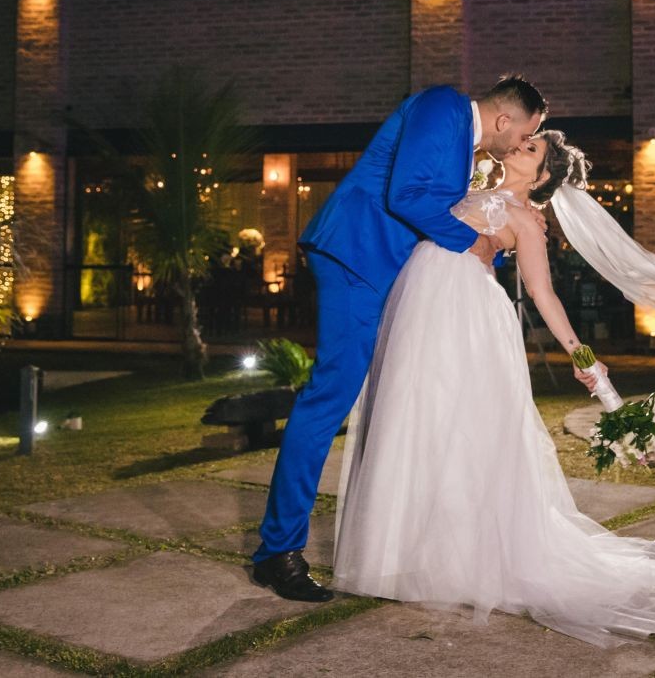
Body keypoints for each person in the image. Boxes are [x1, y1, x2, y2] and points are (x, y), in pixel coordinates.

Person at [331, 129, 655, 648]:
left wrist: (584, 359)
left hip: (467, 321)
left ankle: (458, 562)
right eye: (522, 142)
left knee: (463, 434)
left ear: (542, 177)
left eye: (531, 151)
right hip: (418, 313)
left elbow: (544, 295)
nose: (519, 149)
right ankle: (402, 554)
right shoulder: (473, 185)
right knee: (415, 425)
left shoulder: (526, 220)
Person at [251, 75, 604, 602]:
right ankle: (277, 552)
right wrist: (479, 241)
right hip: (357, 257)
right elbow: (406, 195)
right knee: (329, 398)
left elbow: (464, 218)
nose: (517, 146)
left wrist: (507, 234)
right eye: (526, 135)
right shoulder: (444, 107)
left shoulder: (472, 154)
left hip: (393, 275)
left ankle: (410, 543)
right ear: (506, 120)